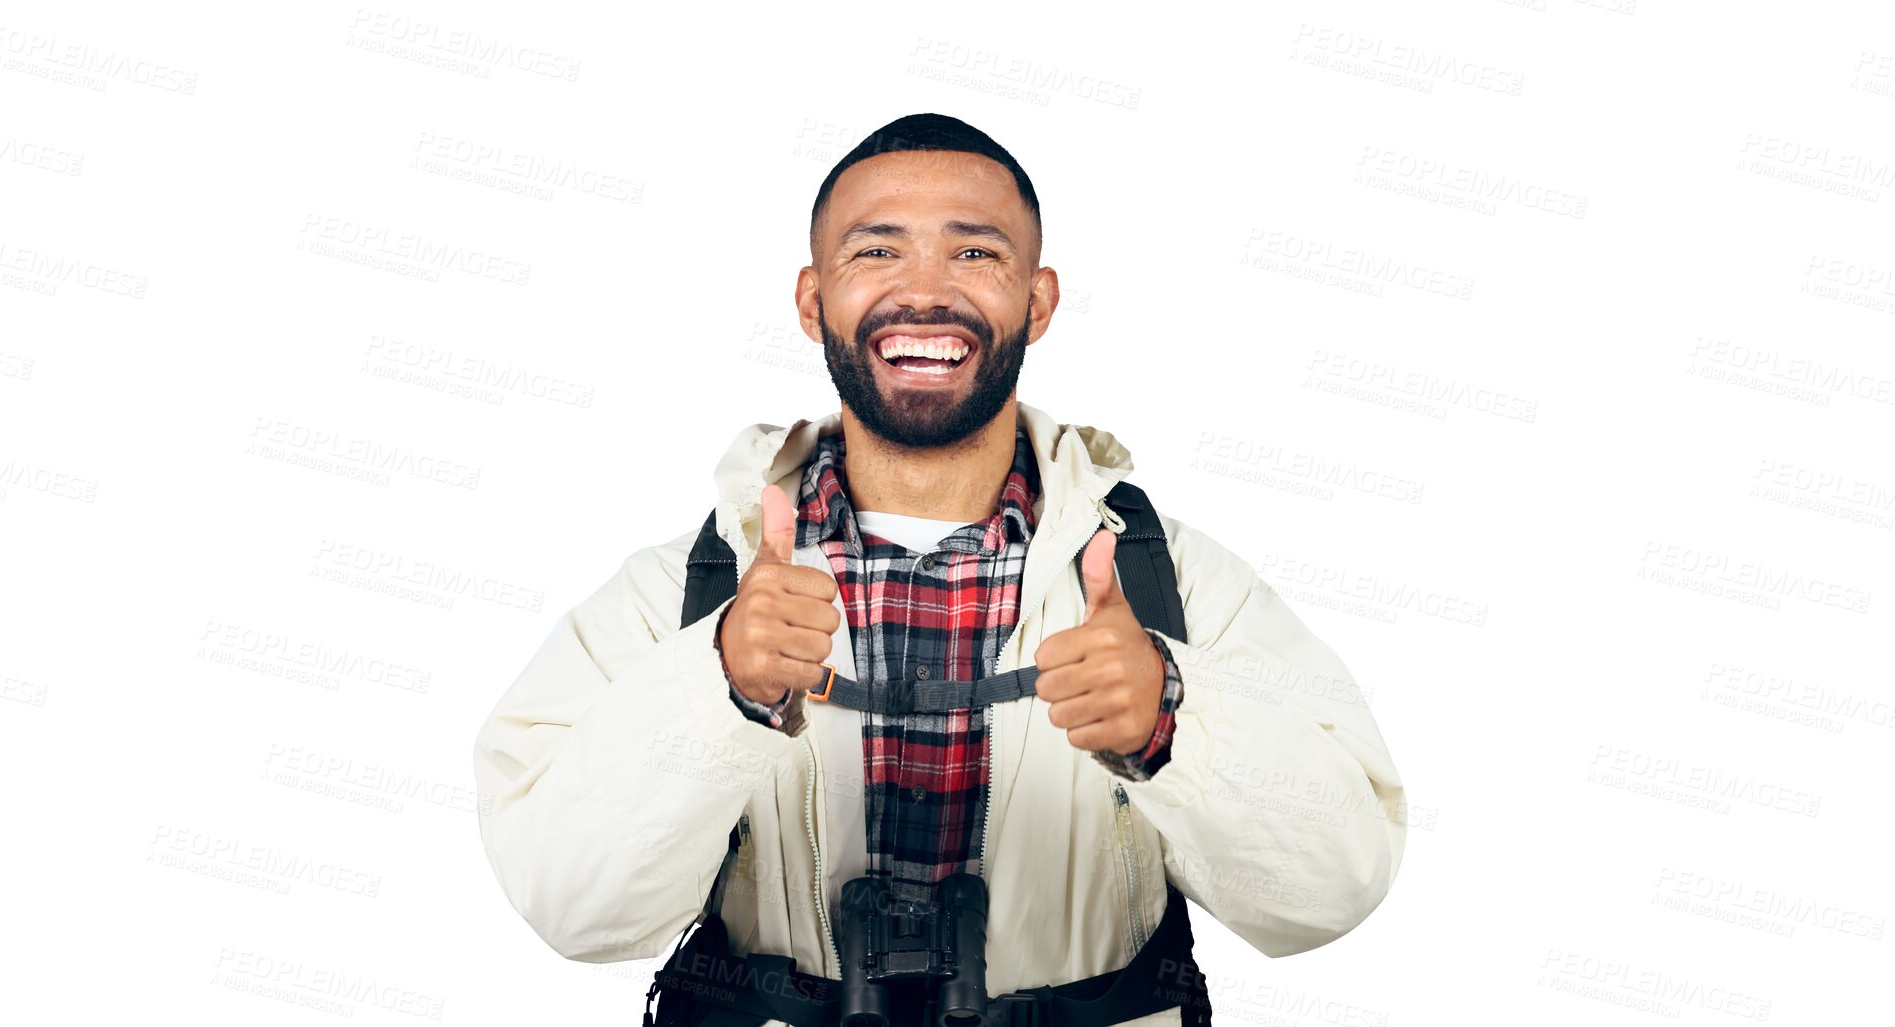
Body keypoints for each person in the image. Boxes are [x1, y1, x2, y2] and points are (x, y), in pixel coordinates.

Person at [471, 113, 1407, 1026]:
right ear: (811, 300)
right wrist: (715, 683)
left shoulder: (1171, 584)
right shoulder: (688, 592)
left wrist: (1173, 715)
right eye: (876, 251)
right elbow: (572, 910)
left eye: (975, 253)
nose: (925, 291)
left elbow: (1332, 893)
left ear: (1037, 301)